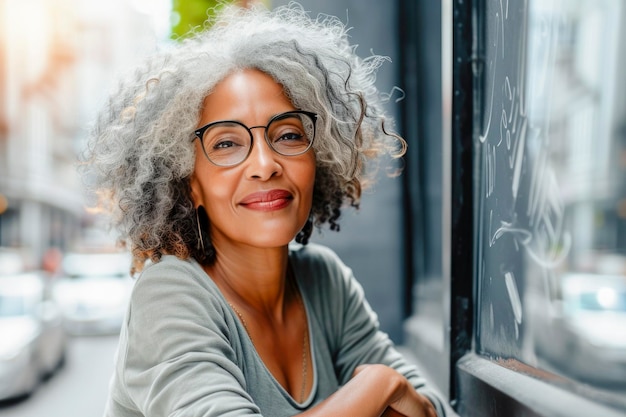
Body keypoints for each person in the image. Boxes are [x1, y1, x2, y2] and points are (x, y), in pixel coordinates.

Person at [83, 3, 447, 416]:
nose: (264, 164)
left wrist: (391, 390)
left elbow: (431, 408)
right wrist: (379, 383)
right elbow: (398, 393)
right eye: (226, 143)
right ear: (189, 184)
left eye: (288, 135)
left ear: (319, 160)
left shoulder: (324, 281)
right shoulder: (169, 294)